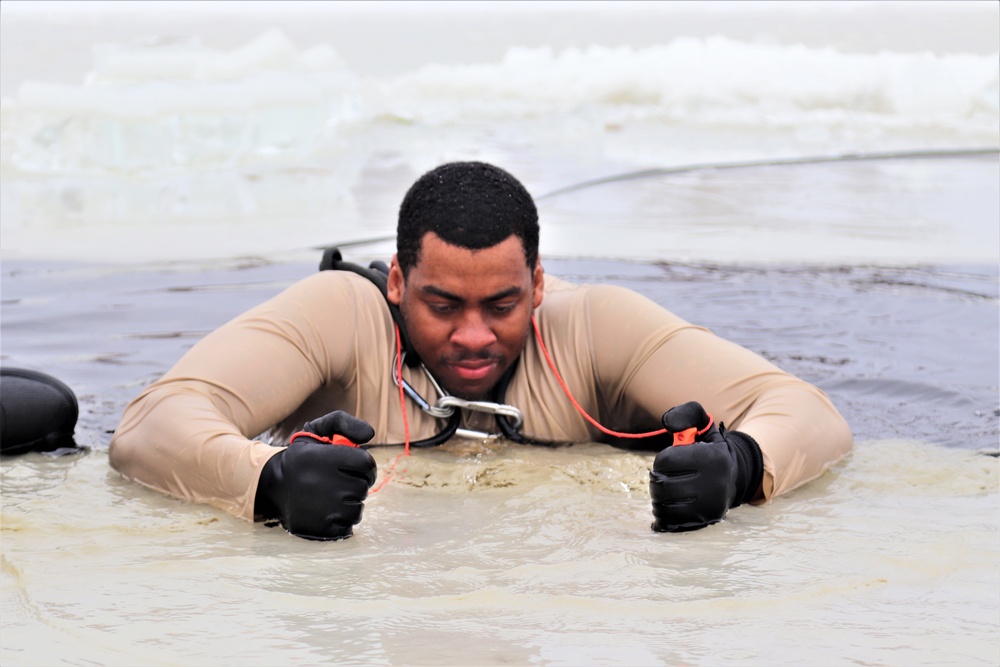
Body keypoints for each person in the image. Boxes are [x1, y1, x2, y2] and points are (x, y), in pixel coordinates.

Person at [109, 161, 853, 540]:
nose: (472, 335)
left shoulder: (590, 325)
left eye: (501, 305)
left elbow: (807, 412)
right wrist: (270, 479)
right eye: (441, 304)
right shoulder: (340, 313)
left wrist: (740, 464)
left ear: (535, 282)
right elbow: (150, 422)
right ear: (398, 280)